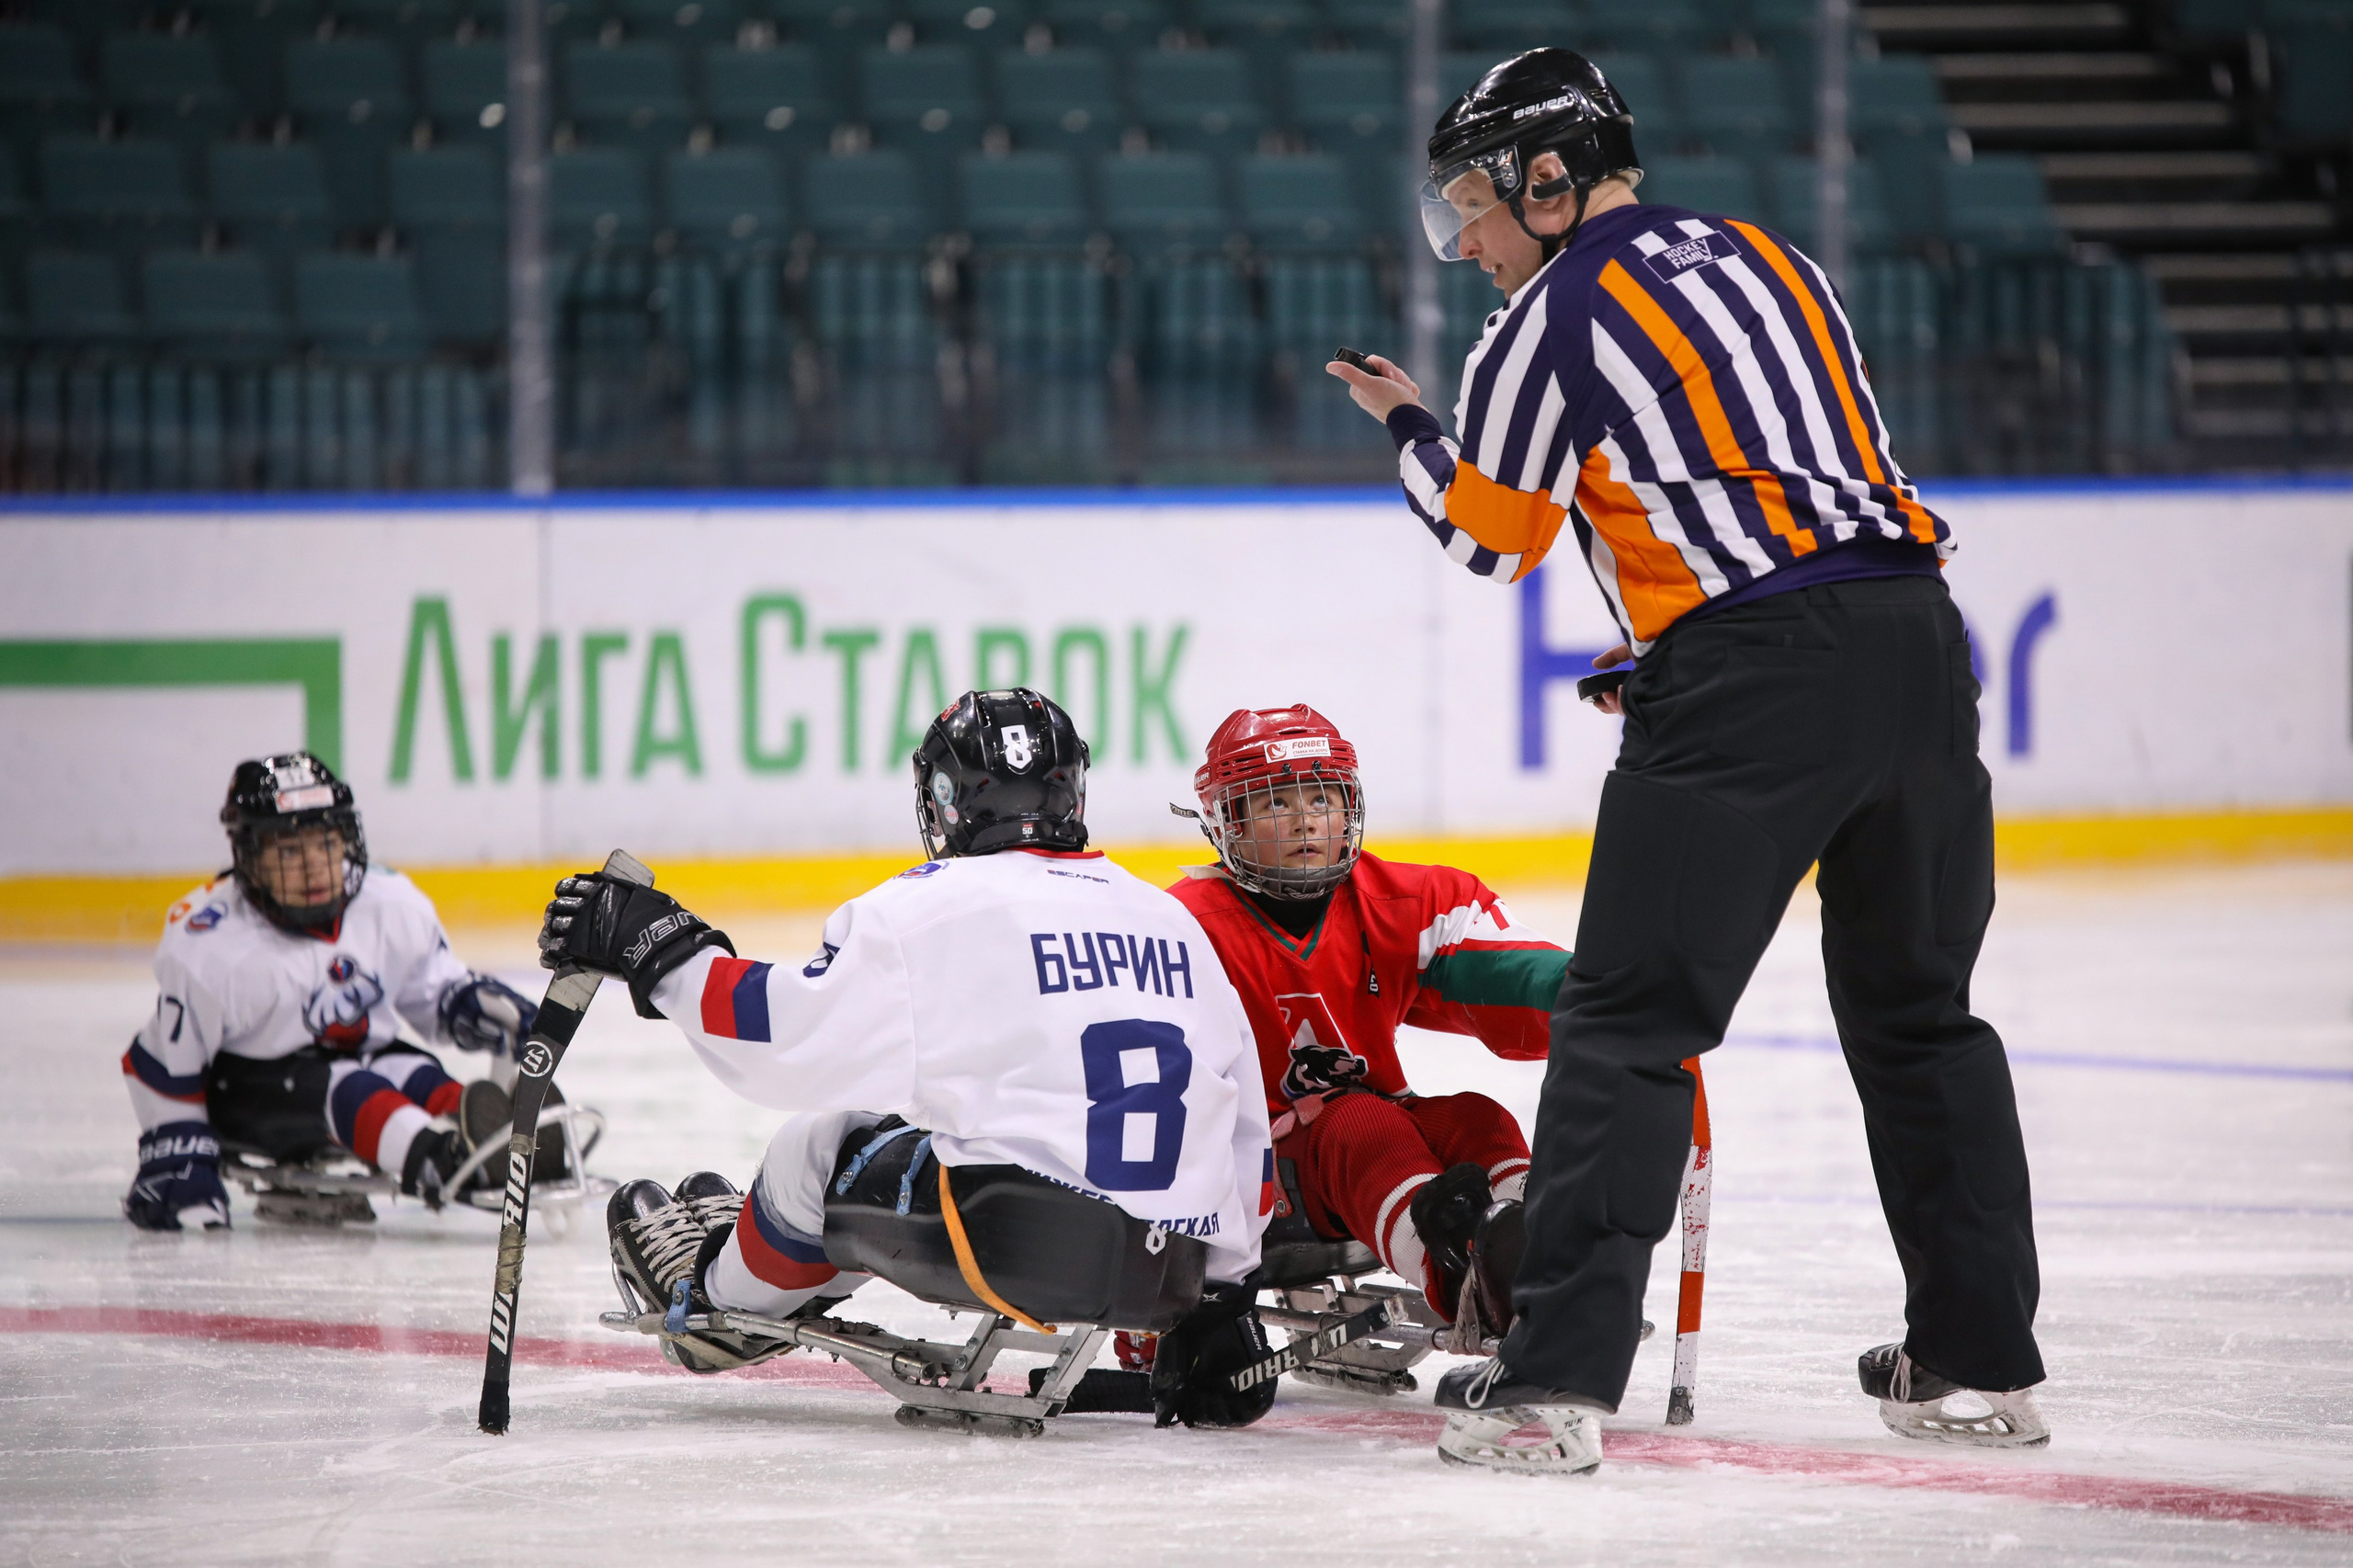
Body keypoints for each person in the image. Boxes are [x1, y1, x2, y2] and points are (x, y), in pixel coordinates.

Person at [1329, 51, 2047, 1472]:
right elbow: (1797, 491)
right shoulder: (1780, 260)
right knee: (1921, 1019)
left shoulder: (1552, 311)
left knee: (1626, 1024)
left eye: (1470, 202)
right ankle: (1980, 1361)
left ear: (1549, 180)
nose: (1462, 238)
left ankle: (1554, 1381)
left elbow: (1493, 534)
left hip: (1746, 683)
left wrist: (1411, 428)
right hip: (1917, 650)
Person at [544, 688, 1280, 1429]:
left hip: (1012, 1245)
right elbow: (1245, 1132)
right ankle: (761, 1252)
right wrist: (1223, 1298)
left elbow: (778, 1041)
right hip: (1168, 1272)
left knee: (824, 1141)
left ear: (944, 800)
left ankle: (713, 1299)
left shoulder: (928, 907)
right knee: (927, 1120)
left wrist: (660, 948)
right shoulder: (1171, 918)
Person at [1166, 703, 1608, 1344]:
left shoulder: (1403, 902)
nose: (1306, 820)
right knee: (1360, 1121)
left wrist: (1603, 997)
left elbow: (1515, 973)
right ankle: (1465, 1286)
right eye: (1274, 804)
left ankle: (1543, 1261)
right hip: (1252, 1174)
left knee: (1474, 1117)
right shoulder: (1182, 927)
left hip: (1358, 1148)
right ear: (1225, 822)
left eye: (1323, 799)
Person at [121, 753, 545, 1231]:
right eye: (289, 853)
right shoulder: (211, 940)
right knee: (353, 1089)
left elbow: (431, 990)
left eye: (326, 844)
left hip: (366, 1058)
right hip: (251, 1089)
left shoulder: (389, 903)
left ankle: (492, 1139)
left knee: (416, 1073)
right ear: (250, 860)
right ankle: (438, 1156)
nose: (315, 867)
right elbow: (161, 1061)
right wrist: (176, 1144)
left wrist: (467, 1004)